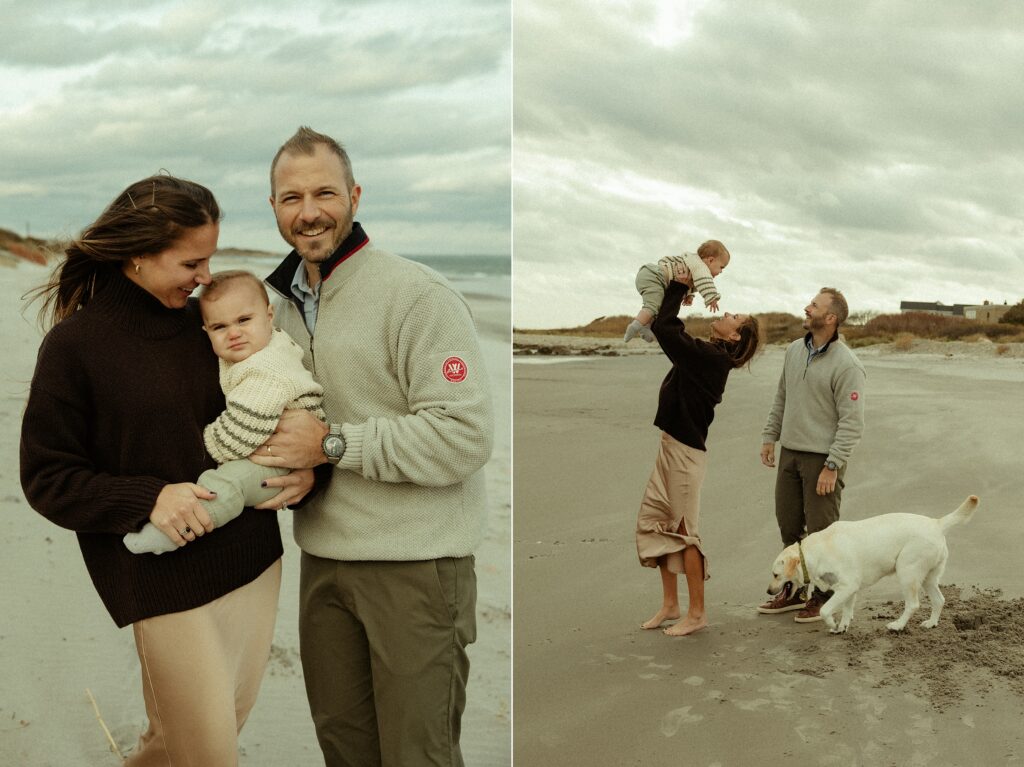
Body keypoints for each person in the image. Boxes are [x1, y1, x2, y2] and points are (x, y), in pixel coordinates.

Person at [19, 175, 313, 765]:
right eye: (191, 262)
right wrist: (148, 498)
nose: (206, 277)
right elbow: (46, 477)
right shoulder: (76, 346)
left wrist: (308, 470)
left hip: (253, 559)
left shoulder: (211, 327)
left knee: (188, 740)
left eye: (210, 259)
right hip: (158, 578)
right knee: (209, 753)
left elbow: (281, 402)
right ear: (137, 255)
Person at [249, 126, 494, 766]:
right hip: (323, 563)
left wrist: (330, 445)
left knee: (419, 755)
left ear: (354, 195)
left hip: (416, 567)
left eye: (324, 192)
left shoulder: (418, 296)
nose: (308, 212)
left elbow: (463, 436)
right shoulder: (275, 307)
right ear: (273, 208)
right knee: (345, 753)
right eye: (290, 197)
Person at [124, 269, 326, 555]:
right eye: (219, 327)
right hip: (274, 446)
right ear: (206, 331)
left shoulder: (266, 370)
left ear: (269, 315)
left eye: (244, 320)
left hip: (283, 460)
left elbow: (242, 432)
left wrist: (205, 442)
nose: (233, 333)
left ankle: (181, 530)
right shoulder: (257, 348)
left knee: (227, 485)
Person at [636, 274, 763, 636]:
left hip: (685, 455)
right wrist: (685, 292)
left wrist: (678, 286)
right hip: (671, 447)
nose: (725, 313)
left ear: (734, 335)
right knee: (659, 523)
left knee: (686, 533)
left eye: (733, 317)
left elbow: (665, 327)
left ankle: (698, 613)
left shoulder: (712, 359)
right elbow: (672, 329)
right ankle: (670, 605)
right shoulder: (707, 354)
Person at [757, 288, 866, 623]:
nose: (807, 308)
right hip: (790, 453)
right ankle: (791, 590)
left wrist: (832, 466)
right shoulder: (793, 351)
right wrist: (769, 436)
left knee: (823, 534)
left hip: (822, 460)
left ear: (830, 318)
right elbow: (781, 397)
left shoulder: (847, 364)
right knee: (788, 526)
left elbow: (852, 422)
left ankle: (823, 596)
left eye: (814, 306)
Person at [624, 239, 730, 342]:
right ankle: (635, 326)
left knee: (659, 308)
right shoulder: (700, 267)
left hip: (652, 276)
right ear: (710, 260)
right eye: (721, 267)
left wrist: (689, 295)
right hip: (655, 277)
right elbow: (704, 281)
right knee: (652, 305)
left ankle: (645, 327)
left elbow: (694, 281)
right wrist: (711, 297)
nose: (721, 272)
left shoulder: (692, 262)